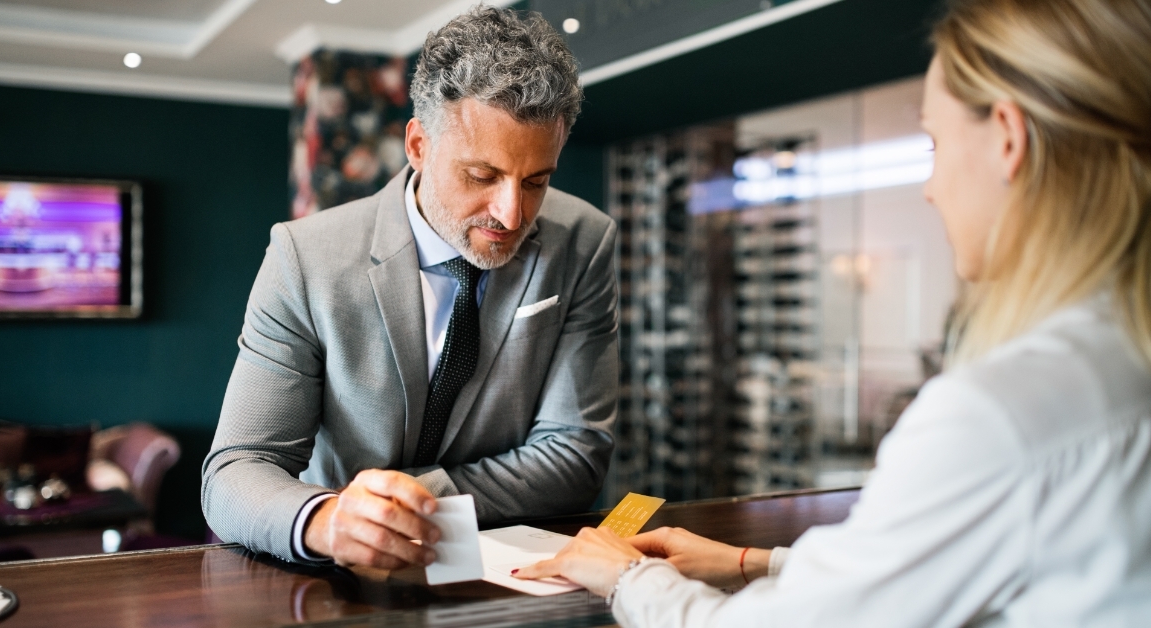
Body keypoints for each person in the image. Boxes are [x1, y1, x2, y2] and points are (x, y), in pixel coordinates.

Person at [516, 0, 1151, 624]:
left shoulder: (999, 415)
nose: (930, 187)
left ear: (1008, 139)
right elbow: (940, 566)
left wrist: (626, 576)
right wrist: (750, 562)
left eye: (933, 143)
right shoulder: (1120, 361)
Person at [202, 6, 618, 569]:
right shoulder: (304, 258)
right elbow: (236, 470)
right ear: (419, 146)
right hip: (338, 572)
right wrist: (327, 519)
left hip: (510, 572)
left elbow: (576, 455)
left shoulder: (584, 242)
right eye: (482, 176)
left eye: (537, 180)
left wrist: (410, 503)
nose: (512, 213)